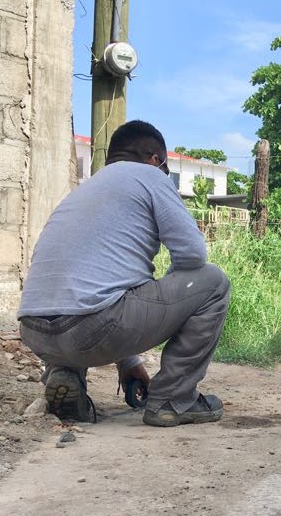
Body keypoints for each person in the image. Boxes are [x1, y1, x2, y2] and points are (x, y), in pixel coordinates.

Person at [17, 120, 231, 426]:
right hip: (93, 328)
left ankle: (65, 374)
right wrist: (173, 297)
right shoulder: (150, 176)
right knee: (212, 282)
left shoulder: (85, 189)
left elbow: (99, 285)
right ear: (156, 160)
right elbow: (193, 255)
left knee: (79, 299)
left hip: (36, 332)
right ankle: (173, 399)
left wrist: (128, 361)